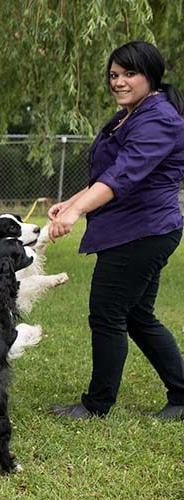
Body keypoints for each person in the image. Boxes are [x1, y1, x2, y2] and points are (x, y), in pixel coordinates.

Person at [48, 41, 184, 420]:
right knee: (138, 316)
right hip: (135, 229)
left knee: (107, 313)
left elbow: (124, 175)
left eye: (129, 74)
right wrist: (71, 201)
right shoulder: (132, 114)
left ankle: (96, 405)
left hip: (141, 232)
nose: (119, 82)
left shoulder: (159, 119)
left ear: (150, 76)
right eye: (114, 75)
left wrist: (75, 214)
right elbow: (107, 172)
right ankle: (182, 395)